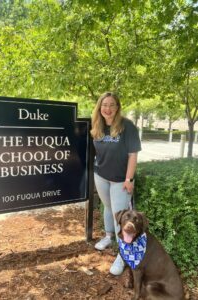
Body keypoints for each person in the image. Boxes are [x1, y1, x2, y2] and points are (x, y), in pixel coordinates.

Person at [90, 91, 141, 276]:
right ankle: (109, 237)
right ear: (99, 107)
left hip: (120, 180)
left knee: (123, 217)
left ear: (117, 107)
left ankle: (123, 254)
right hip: (101, 176)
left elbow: (133, 155)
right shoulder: (97, 125)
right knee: (108, 208)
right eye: (104, 105)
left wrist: (129, 179)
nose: (108, 109)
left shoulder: (127, 126)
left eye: (112, 105)